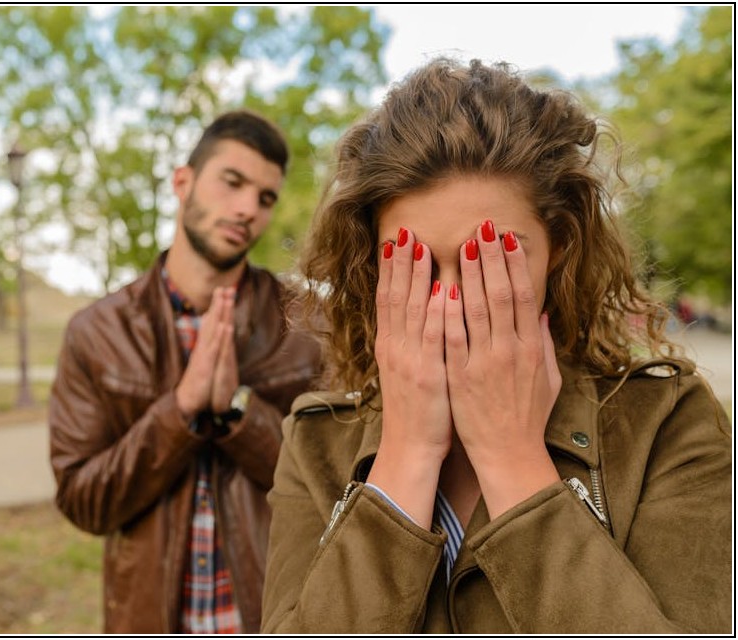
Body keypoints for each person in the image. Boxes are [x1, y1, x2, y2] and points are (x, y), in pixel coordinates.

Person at [261, 59, 731, 634]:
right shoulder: (315, 443)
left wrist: (513, 460)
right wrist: (406, 455)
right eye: (414, 266)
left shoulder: (665, 424)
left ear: (559, 250)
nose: (452, 304)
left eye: (488, 261)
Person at [49, 109, 322, 634]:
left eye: (265, 198)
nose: (247, 208)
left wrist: (238, 408)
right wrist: (179, 410)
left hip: (274, 620)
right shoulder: (96, 332)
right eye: (232, 182)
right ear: (183, 182)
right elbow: (85, 504)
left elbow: (333, 490)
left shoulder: (308, 326)